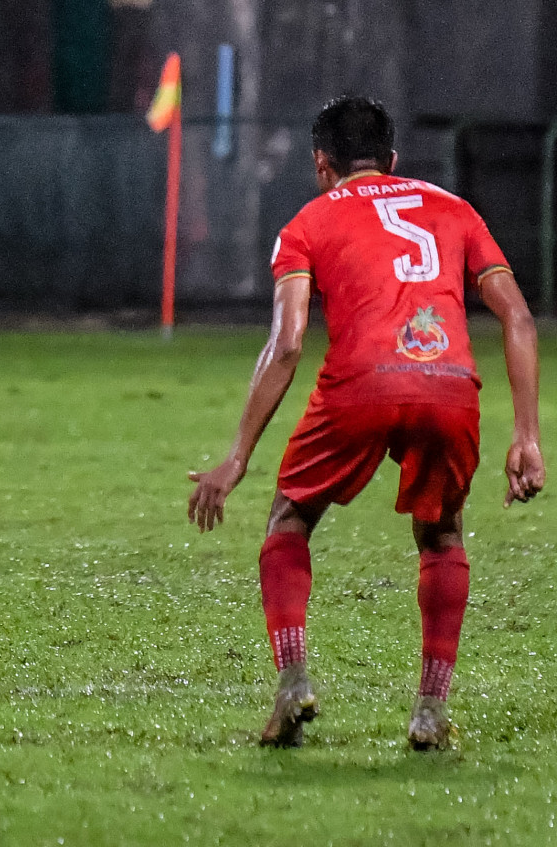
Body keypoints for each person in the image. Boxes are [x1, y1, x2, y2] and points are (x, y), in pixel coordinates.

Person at [187, 96, 544, 750]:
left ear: (322, 165)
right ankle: (430, 713)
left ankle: (293, 680)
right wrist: (527, 437)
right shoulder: (455, 210)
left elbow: (288, 342)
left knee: (289, 519)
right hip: (448, 384)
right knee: (442, 536)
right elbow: (518, 318)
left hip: (360, 384)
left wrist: (236, 456)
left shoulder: (308, 222)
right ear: (394, 161)